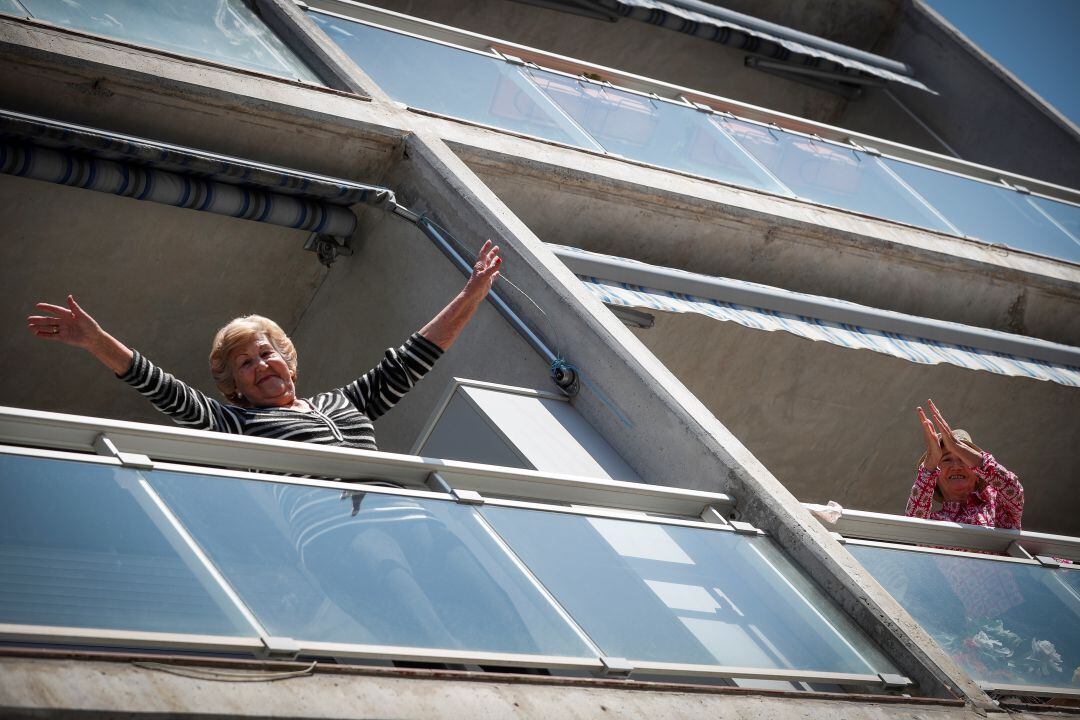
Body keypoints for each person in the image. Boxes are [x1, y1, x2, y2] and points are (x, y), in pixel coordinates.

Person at [26, 241, 503, 453]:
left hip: (405, 510)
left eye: (266, 353)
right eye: (245, 364)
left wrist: (470, 297)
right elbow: (165, 390)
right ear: (235, 387)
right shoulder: (238, 422)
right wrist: (95, 341)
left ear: (288, 365)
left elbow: (411, 360)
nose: (260, 364)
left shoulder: (344, 403)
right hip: (337, 530)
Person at [906, 398, 1024, 530]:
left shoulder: (998, 509)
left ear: (978, 474)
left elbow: (1014, 490)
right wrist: (929, 465)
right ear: (935, 480)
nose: (956, 466)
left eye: (962, 458)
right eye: (946, 459)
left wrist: (957, 446)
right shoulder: (933, 523)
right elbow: (912, 527)